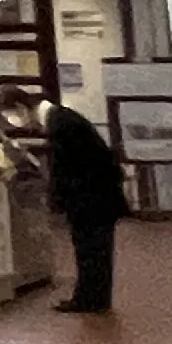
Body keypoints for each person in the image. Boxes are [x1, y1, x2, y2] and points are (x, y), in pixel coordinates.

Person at [43, 99, 126, 313]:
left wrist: (57, 198)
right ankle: (92, 298)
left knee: (90, 249)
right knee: (95, 249)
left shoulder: (59, 124)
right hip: (97, 195)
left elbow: (65, 166)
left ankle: (91, 300)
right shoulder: (64, 118)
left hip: (89, 197)